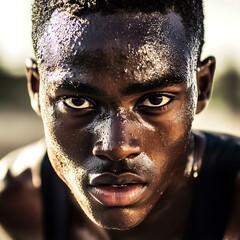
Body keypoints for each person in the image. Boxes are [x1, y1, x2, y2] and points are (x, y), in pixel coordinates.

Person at [1, 0, 240, 239]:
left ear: (201, 87)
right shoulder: (17, 199)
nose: (117, 148)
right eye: (77, 102)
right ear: (36, 88)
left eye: (155, 100)